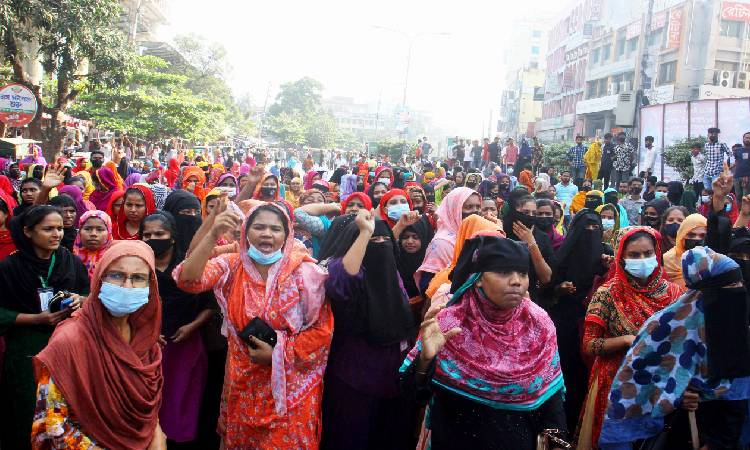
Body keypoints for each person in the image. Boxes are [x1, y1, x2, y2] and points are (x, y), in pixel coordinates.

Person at [177, 201, 332, 449]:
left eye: (275, 229)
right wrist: (213, 235)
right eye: (259, 227)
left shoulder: (305, 273)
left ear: (287, 234)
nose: (267, 234)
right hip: (244, 383)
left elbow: (322, 332)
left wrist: (277, 354)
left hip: (291, 390)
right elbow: (188, 280)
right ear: (246, 231)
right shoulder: (232, 265)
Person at [400, 236, 567, 450]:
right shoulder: (450, 322)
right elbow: (412, 393)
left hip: (516, 440)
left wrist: (558, 443)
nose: (516, 281)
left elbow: (552, 397)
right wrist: (425, 359)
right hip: (456, 439)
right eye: (504, 272)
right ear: (478, 278)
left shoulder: (538, 323)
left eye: (522, 273)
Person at [600, 247, 750, 449]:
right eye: (732, 284)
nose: (740, 289)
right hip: (684, 432)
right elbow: (636, 386)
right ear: (710, 291)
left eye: (740, 283)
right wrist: (677, 395)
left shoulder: (737, 323)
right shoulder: (666, 328)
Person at [31, 240, 166, 450]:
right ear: (99, 279)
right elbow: (53, 424)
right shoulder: (69, 341)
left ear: (150, 286)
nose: (127, 286)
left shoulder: (146, 341)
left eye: (138, 278)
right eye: (117, 275)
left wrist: (156, 435)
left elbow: (148, 412)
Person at [576, 226, 684, 449]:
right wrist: (626, 340)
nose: (642, 260)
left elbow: (683, 342)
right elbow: (589, 344)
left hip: (660, 382)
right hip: (614, 380)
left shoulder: (674, 294)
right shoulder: (608, 293)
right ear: (621, 257)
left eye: (647, 253)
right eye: (634, 255)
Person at [318, 211, 416, 450]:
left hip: (393, 370)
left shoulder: (391, 274)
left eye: (384, 242)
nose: (379, 245)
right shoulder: (349, 272)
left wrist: (394, 230)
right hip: (355, 372)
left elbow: (384, 250)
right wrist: (364, 233)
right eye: (373, 242)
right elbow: (343, 280)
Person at [0, 206, 89, 450]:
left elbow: (90, 294)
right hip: (26, 349)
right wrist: (33, 319)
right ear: (28, 232)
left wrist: (79, 300)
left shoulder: (70, 261)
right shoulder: (10, 267)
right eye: (48, 229)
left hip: (68, 348)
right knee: (28, 410)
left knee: (65, 412)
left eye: (60, 228)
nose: (57, 234)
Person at [140, 212, 214, 446]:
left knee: (183, 403)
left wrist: (192, 327)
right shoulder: (138, 266)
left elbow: (211, 305)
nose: (153, 238)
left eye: (160, 234)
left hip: (186, 348)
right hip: (147, 350)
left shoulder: (188, 266)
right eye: (147, 235)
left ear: (172, 237)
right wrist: (148, 332)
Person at [416, 187, 481, 294]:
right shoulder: (442, 243)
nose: (475, 211)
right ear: (454, 209)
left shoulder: (477, 235)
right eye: (468, 207)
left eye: (478, 207)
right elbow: (427, 286)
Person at [502, 195, 555, 304]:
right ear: (514, 212)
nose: (530, 216)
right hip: (502, 296)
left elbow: (546, 278)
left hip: (531, 298)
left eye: (534, 213)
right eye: (526, 212)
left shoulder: (542, 237)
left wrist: (531, 243)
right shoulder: (502, 233)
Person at [661, 213, 707, 288]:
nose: (697, 238)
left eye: (702, 235)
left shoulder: (710, 257)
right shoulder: (668, 258)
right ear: (682, 235)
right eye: (691, 235)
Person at [73, 210, 113, 279]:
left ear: (109, 232)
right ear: (79, 231)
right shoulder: (69, 259)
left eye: (100, 229)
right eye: (87, 229)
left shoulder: (114, 259)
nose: (93, 234)